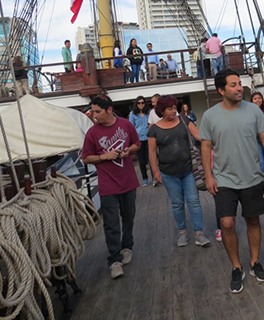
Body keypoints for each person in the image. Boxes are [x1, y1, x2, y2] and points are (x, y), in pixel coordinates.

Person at [200, 68, 264, 294]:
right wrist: (208, 176)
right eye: (233, 85)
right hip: (224, 178)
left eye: (239, 84)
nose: (239, 88)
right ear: (221, 90)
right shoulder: (210, 116)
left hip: (252, 176)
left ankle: (254, 262)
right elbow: (205, 146)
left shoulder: (253, 110)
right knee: (227, 223)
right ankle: (236, 267)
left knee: (253, 220)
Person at [81, 95, 141, 279]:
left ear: (109, 110)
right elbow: (85, 158)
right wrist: (103, 157)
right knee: (111, 224)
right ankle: (114, 260)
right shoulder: (92, 133)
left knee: (129, 218)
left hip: (128, 181)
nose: (94, 115)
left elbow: (137, 144)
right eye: (92, 112)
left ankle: (127, 247)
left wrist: (129, 150)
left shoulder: (126, 124)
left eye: (98, 111)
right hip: (108, 185)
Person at [148, 95, 211, 247]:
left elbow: (198, 135)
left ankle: (199, 233)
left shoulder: (184, 120)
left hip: (189, 169)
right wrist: (155, 171)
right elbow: (152, 152)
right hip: (168, 173)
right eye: (169, 109)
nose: (173, 111)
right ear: (161, 110)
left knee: (194, 202)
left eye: (174, 108)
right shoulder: (154, 129)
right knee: (177, 204)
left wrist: (214, 140)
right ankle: (182, 232)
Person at [129, 96, 151, 187]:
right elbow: (131, 127)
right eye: (139, 103)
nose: (141, 104)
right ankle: (145, 179)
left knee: (150, 159)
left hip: (148, 138)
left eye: (142, 103)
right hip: (139, 139)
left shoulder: (148, 112)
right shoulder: (133, 114)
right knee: (141, 161)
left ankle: (154, 177)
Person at [251, 91, 264, 178]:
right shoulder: (250, 113)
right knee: (261, 163)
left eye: (259, 98)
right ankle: (263, 181)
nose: (257, 100)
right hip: (256, 141)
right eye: (255, 99)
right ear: (252, 101)